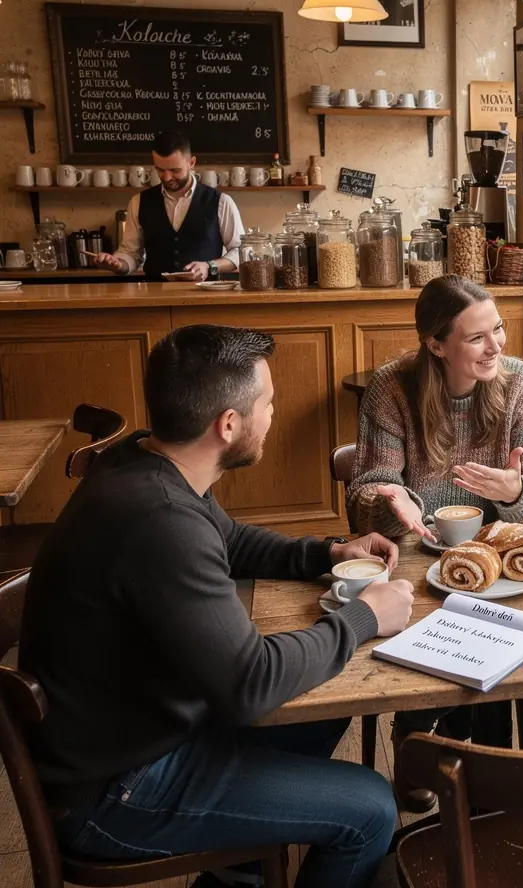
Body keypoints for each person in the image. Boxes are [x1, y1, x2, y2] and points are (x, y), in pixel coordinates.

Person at [19, 324, 416, 888]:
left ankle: (238, 872)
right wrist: (365, 616)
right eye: (268, 402)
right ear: (228, 425)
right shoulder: (159, 521)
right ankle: (242, 863)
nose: (273, 413)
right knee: (371, 809)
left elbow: (226, 540)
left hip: (142, 728)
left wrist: (328, 552)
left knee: (326, 707)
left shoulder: (144, 459)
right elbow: (248, 682)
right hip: (115, 790)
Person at [347, 275, 523, 811]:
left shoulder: (520, 384)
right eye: (477, 338)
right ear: (436, 344)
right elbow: (366, 491)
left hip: (499, 563)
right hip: (418, 560)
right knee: (431, 636)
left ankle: (487, 770)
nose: (497, 347)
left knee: (503, 642)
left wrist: (516, 492)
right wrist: (390, 500)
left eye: (499, 330)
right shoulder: (393, 388)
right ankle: (419, 737)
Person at [93, 130, 243, 282]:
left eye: (174, 170)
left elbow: (240, 251)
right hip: (155, 295)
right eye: (160, 169)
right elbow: (131, 253)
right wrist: (118, 264)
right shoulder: (139, 202)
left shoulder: (221, 202)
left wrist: (209, 266)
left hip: (205, 297)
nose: (167, 177)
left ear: (191, 163)